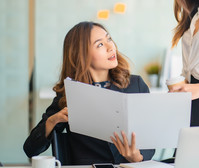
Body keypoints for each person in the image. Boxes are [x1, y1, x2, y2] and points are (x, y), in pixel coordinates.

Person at [23, 21, 154, 164]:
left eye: (109, 39)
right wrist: (52, 121)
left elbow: (149, 136)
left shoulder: (136, 85)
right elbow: (30, 149)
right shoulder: (69, 95)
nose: (111, 47)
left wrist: (137, 158)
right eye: (100, 44)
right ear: (81, 55)